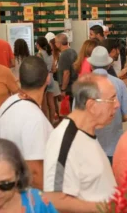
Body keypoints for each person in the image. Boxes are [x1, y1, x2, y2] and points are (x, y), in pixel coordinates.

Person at [44, 74, 117, 202]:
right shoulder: (64, 140)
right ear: (91, 106)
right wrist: (105, 210)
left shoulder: (87, 132)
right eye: (112, 99)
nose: (117, 105)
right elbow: (55, 199)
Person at [0, 56, 52, 190]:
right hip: (30, 196)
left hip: (11, 186)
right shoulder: (34, 118)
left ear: (20, 80)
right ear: (48, 79)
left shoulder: (8, 103)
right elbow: (34, 171)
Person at [86, 46, 127, 163]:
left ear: (91, 65)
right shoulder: (119, 83)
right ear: (108, 65)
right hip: (114, 145)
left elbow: (77, 116)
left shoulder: (82, 85)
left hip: (90, 147)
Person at [36, 36, 58, 125]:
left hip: (43, 79)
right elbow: (53, 68)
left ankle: (46, 123)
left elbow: (39, 68)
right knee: (51, 102)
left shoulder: (39, 54)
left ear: (38, 45)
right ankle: (52, 121)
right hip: (51, 78)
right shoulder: (50, 54)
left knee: (44, 104)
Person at [55, 33, 78, 102]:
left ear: (59, 43)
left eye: (56, 42)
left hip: (68, 88)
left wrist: (63, 89)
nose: (55, 44)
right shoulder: (73, 51)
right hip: (74, 85)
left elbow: (66, 73)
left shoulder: (64, 55)